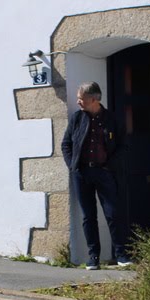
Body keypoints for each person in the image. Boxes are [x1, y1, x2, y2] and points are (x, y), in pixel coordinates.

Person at [60, 81, 130, 269]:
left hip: (105, 172)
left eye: (80, 98)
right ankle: (93, 257)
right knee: (88, 216)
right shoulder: (77, 118)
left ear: (93, 99)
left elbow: (123, 146)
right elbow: (66, 144)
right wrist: (73, 166)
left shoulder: (112, 119)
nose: (78, 101)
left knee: (113, 213)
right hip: (82, 173)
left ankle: (121, 255)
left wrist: (110, 165)